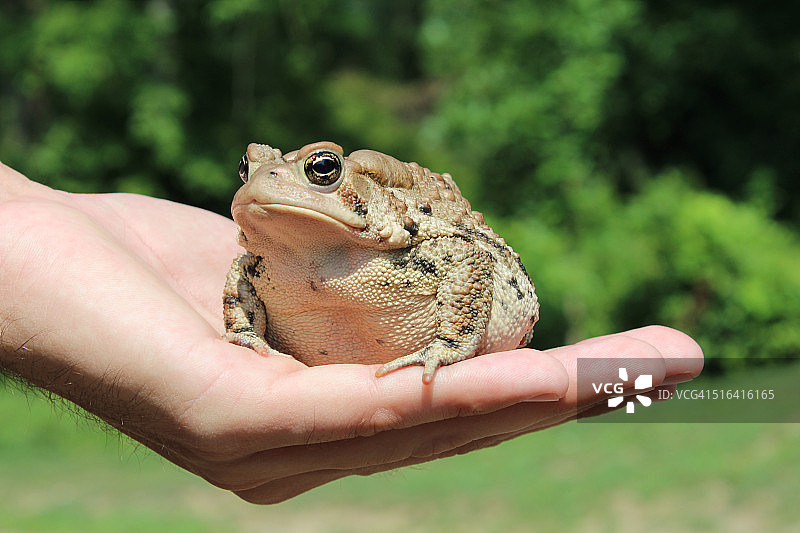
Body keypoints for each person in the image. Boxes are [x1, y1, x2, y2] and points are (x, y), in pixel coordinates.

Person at [0, 162, 703, 504]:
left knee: (644, 381)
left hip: (440, 297)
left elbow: (464, 258)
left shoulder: (410, 244)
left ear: (361, 193)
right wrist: (244, 333)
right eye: (251, 171)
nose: (270, 181)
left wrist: (449, 341)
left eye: (318, 173)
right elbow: (240, 288)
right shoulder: (256, 262)